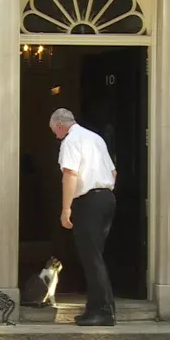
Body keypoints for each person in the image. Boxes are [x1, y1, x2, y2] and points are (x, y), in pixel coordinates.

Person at [48, 108, 117, 327]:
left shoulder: (70, 141)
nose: (55, 136)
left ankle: (104, 312)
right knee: (94, 256)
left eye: (54, 131)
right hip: (107, 198)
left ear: (60, 126)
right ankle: (95, 309)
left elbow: (70, 174)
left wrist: (66, 208)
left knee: (91, 257)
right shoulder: (95, 138)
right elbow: (114, 172)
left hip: (89, 202)